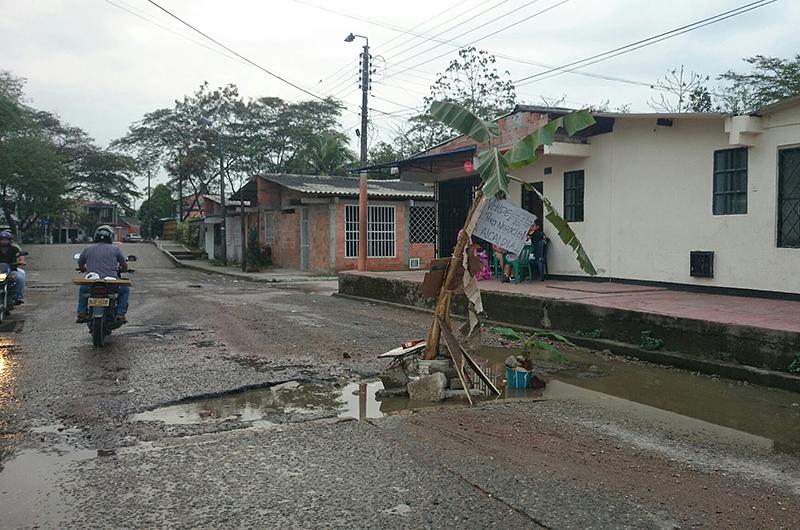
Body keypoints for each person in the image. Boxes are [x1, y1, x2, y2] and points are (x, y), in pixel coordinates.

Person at [76, 225, 129, 324]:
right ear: (110, 237)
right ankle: (120, 314)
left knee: (83, 290)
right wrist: (124, 269)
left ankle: (82, 313)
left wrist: (83, 268)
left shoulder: (87, 249)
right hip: (111, 284)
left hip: (92, 283)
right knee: (125, 290)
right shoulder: (115, 249)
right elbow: (124, 266)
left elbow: (80, 263)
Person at [0, 230, 25, 304]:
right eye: (2, 239)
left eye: (6, 239)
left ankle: (18, 297)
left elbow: (21, 256)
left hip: (11, 269)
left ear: (10, 240)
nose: (4, 241)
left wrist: (21, 261)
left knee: (19, 277)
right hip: (1, 270)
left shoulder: (15, 248)